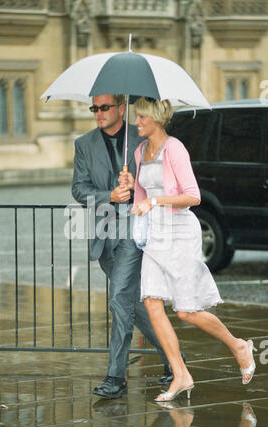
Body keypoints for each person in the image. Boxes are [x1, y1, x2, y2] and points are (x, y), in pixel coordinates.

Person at [120, 96, 257, 402]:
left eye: (141, 117)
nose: (137, 122)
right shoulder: (141, 151)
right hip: (155, 235)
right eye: (137, 116)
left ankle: (238, 346)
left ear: (156, 118)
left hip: (180, 233)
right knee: (152, 303)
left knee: (186, 311)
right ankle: (181, 373)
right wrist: (130, 186)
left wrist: (154, 201)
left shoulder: (175, 148)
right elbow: (140, 198)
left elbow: (193, 196)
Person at [72, 94, 185, 399]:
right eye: (94, 108)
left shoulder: (142, 134)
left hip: (136, 232)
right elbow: (79, 190)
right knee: (134, 304)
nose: (98, 113)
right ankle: (176, 361)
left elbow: (163, 180)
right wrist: (110, 194)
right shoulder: (83, 144)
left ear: (121, 108)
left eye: (104, 107)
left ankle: (115, 377)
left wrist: (136, 186)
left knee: (120, 298)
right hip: (105, 235)